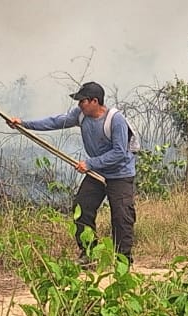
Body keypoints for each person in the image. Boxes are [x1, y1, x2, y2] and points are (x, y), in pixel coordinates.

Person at [8, 81, 137, 260]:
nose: (79, 105)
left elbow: (119, 153)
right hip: (97, 173)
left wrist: (90, 164)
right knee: (82, 208)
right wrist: (24, 123)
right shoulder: (80, 115)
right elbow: (55, 122)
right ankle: (88, 253)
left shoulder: (115, 120)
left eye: (82, 101)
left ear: (94, 101)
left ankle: (123, 260)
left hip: (120, 174)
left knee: (122, 217)